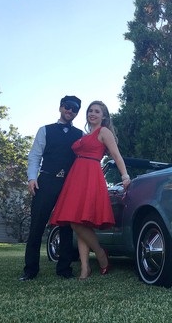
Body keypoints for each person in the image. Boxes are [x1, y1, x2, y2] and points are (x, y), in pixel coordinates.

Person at [49, 101, 131, 280]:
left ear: (103, 116)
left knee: (78, 223)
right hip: (76, 177)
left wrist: (125, 176)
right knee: (77, 222)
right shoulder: (85, 134)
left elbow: (116, 155)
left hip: (91, 175)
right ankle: (85, 268)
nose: (92, 114)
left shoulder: (104, 132)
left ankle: (101, 253)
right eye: (90, 111)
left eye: (97, 111)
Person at [19, 95, 83, 281]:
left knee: (66, 227)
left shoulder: (80, 135)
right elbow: (34, 156)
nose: (70, 111)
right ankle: (30, 270)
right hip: (46, 181)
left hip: (69, 185)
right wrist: (32, 178)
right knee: (37, 225)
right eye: (67, 107)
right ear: (61, 107)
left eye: (74, 109)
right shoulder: (44, 130)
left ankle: (64, 269)